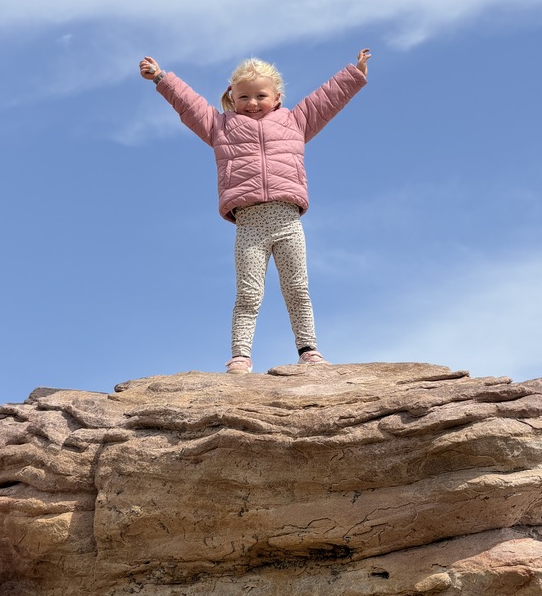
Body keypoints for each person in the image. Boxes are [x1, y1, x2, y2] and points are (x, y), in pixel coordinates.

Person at [139, 49, 371, 373]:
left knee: (298, 288)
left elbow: (327, 99)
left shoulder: (295, 121)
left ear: (277, 97)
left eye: (260, 95)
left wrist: (355, 72)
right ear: (231, 97)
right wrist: (163, 78)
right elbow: (189, 105)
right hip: (249, 224)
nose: (252, 102)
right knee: (248, 293)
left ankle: (309, 350)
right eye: (244, 96)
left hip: (287, 219)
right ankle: (241, 356)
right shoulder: (220, 127)